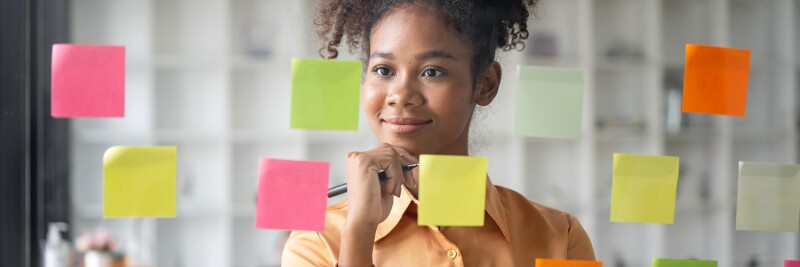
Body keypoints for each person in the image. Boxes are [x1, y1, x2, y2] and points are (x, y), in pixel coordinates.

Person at [282, 0, 595, 266]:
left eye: (432, 71)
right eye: (384, 70)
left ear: (485, 84)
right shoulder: (317, 240)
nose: (400, 95)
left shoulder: (560, 235)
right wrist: (359, 232)